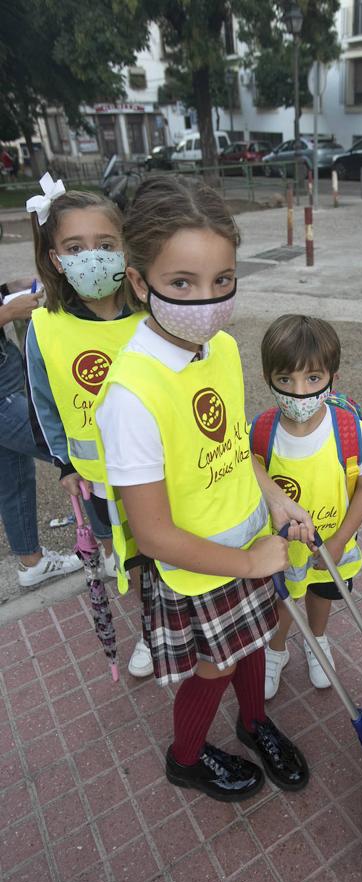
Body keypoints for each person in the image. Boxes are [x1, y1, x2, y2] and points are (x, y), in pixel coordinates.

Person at [93, 175, 313, 802]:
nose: (207, 300)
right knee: (216, 663)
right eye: (182, 283)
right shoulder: (132, 395)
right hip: (200, 567)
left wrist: (272, 495)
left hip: (248, 545)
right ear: (139, 282)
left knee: (250, 646)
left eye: (222, 280)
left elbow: (234, 449)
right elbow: (156, 534)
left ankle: (254, 722)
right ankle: (185, 757)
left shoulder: (216, 347)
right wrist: (246, 559)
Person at [24, 173, 152, 678]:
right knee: (130, 556)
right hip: (99, 477)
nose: (91, 256)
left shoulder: (151, 312)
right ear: (57, 259)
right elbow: (42, 404)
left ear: (125, 249)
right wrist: (63, 464)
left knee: (168, 544)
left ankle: (183, 616)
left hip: (160, 467)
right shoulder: (46, 325)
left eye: (104, 244)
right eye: (75, 247)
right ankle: (150, 629)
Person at [251, 314, 362, 698]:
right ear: (268, 379)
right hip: (282, 550)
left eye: (312, 379)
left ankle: (318, 640)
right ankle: (275, 650)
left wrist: (342, 539)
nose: (298, 392)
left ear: (332, 379)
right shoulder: (261, 432)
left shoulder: (349, 431)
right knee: (283, 601)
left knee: (323, 594)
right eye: (285, 380)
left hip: (334, 547)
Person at [0, 276, 82, 586]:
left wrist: (7, 289)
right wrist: (7, 313)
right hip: (2, 396)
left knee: (15, 478)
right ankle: (107, 549)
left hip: (7, 375)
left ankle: (32, 563)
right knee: (72, 456)